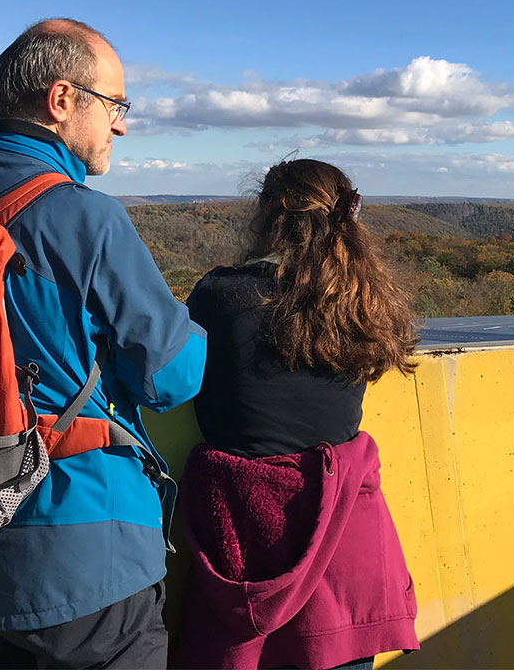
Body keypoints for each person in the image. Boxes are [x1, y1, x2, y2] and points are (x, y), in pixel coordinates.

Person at [0, 19, 207, 668]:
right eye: (116, 105)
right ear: (62, 99)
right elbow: (172, 378)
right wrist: (188, 319)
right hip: (80, 558)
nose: (121, 125)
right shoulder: (86, 217)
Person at [171, 159, 420, 670]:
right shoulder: (365, 303)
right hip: (347, 550)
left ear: (267, 215)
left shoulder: (221, 294)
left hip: (246, 542)